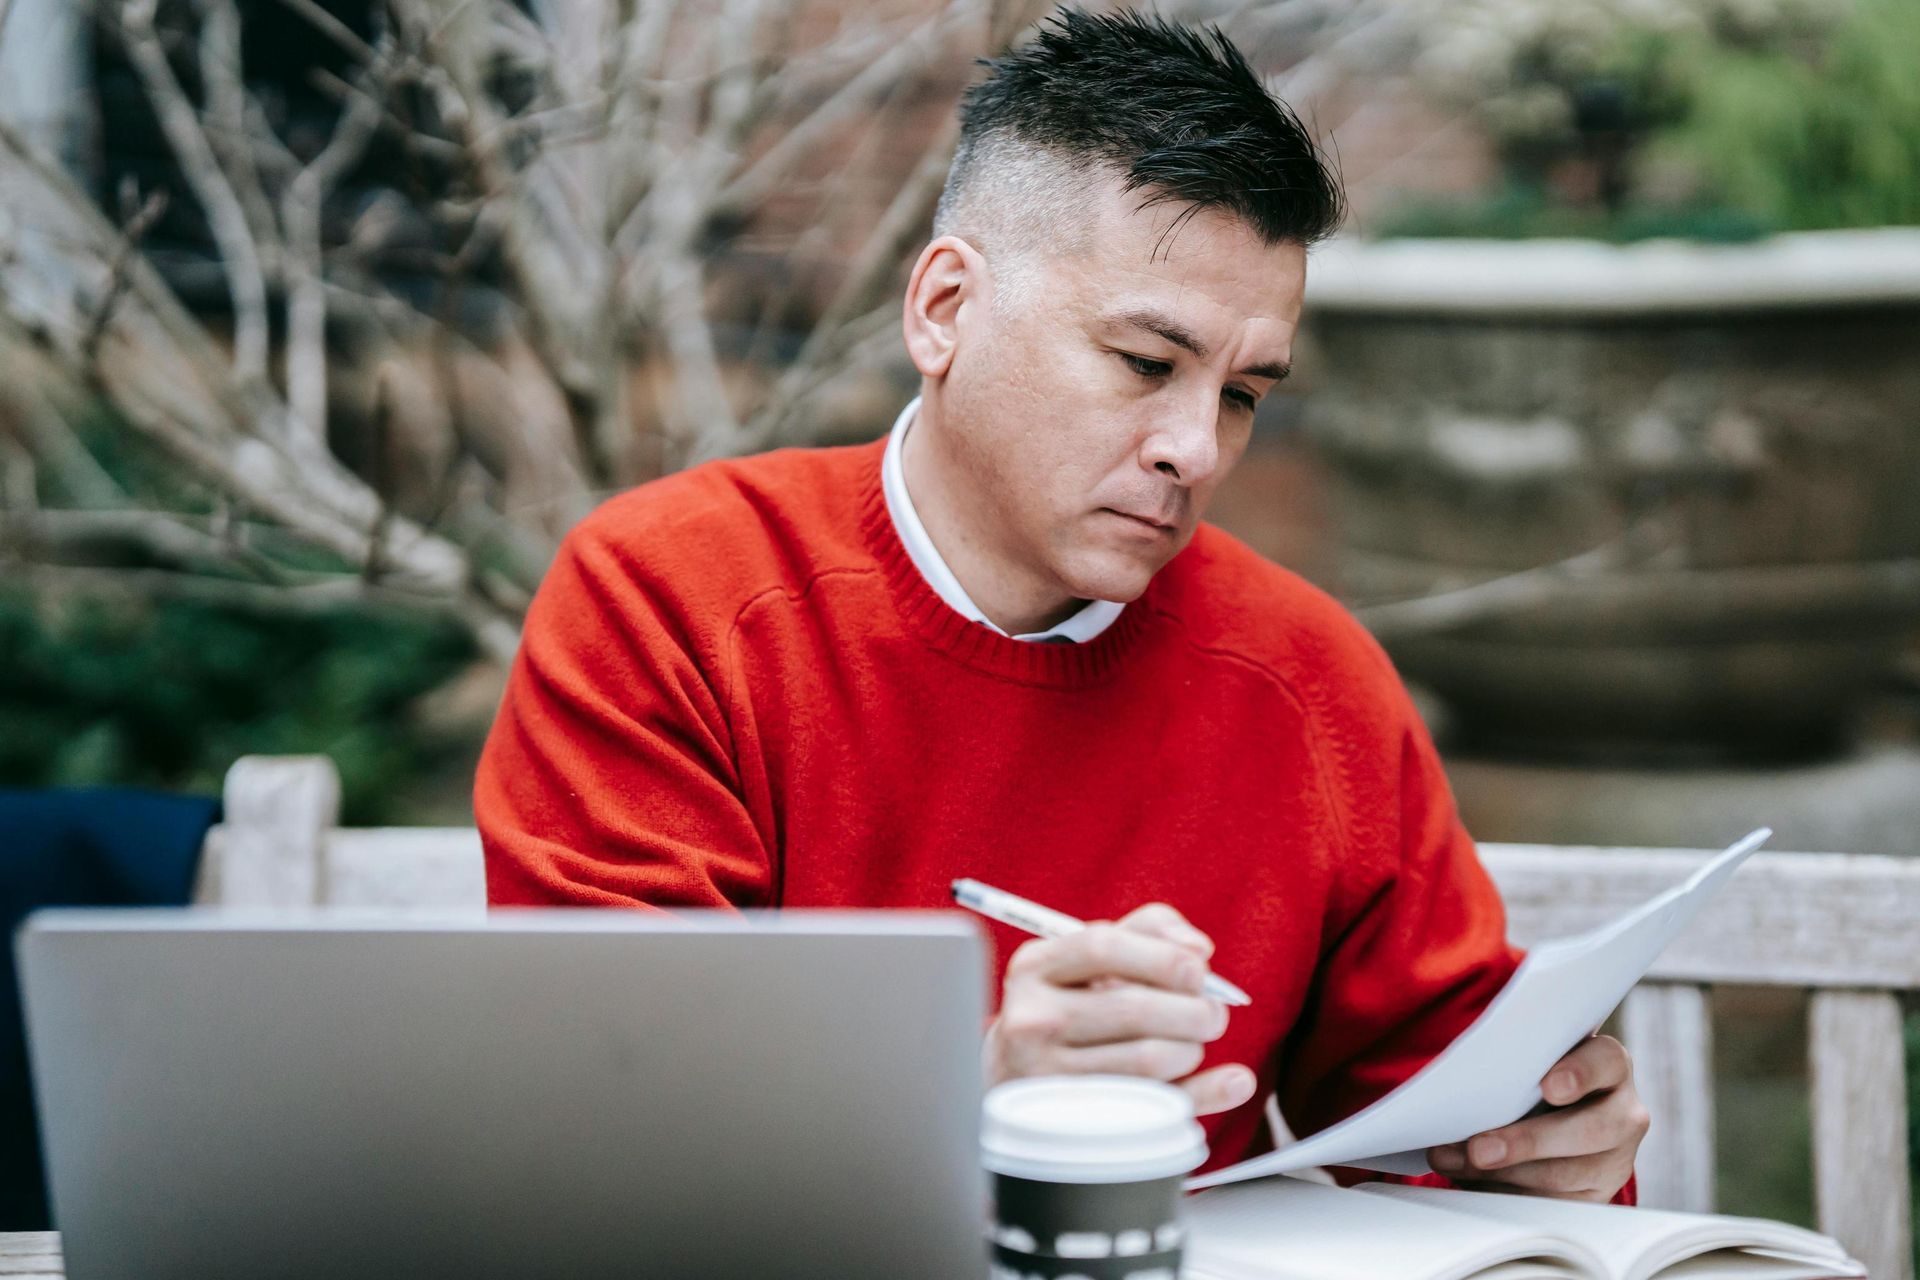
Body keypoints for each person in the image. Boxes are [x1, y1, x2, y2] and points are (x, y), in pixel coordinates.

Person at [475, 7, 1647, 1199]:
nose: (1195, 448)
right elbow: (607, 1122)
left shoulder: (1307, 679)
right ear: (944, 309)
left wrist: (1542, 1157)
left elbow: (1440, 1130)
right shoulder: (671, 597)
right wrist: (962, 1100)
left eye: (1244, 393)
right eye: (1147, 364)